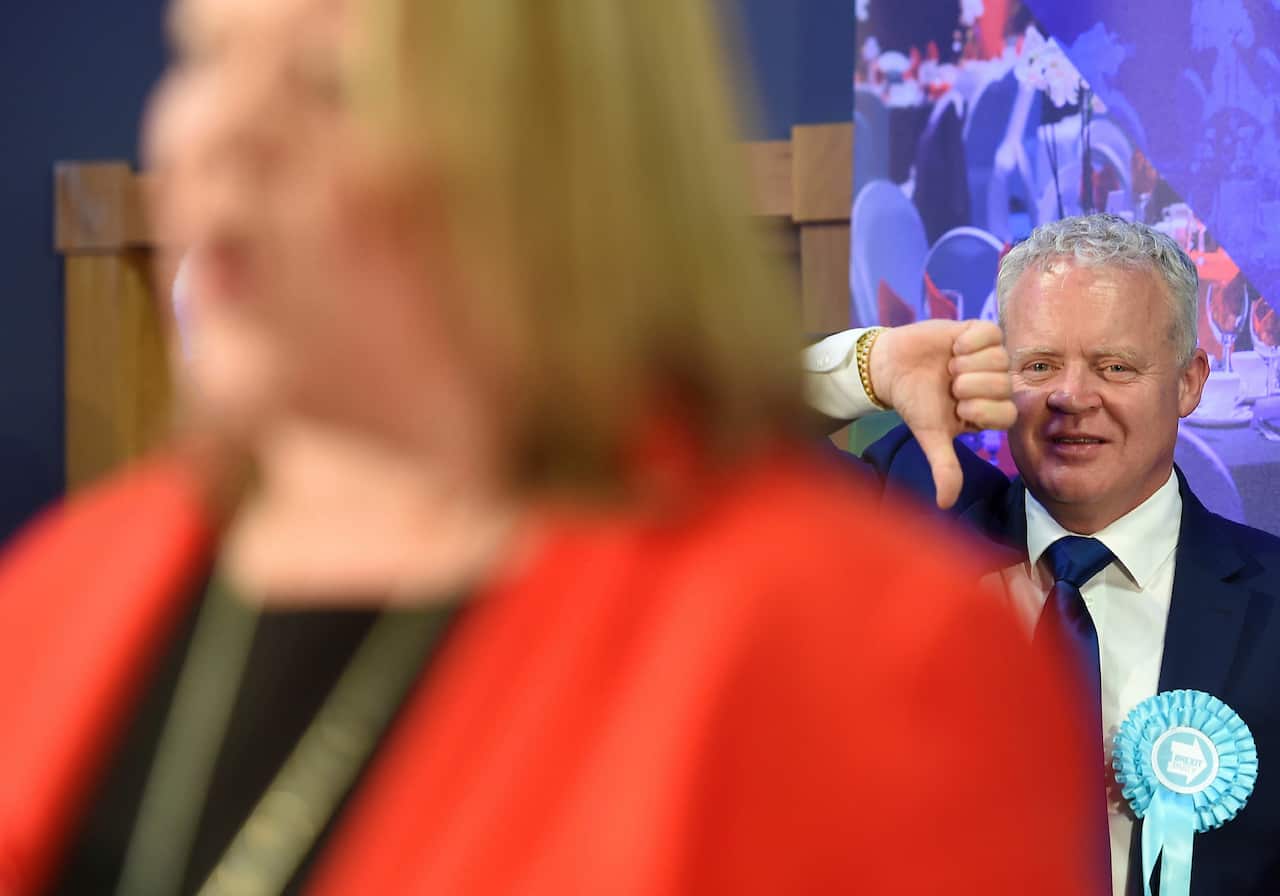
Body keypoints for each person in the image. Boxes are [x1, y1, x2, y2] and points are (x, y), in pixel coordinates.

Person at [0, 1, 1100, 894]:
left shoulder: (859, 658)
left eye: (330, 81)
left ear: (563, 150)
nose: (217, 134)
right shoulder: (62, 589)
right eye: (205, 55)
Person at [810, 213, 1280, 896]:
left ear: (1188, 382)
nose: (1071, 396)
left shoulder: (1271, 605)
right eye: (1039, 365)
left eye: (1114, 367)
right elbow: (692, 444)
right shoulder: (909, 520)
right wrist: (870, 366)